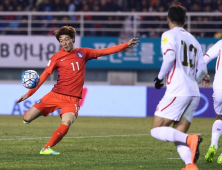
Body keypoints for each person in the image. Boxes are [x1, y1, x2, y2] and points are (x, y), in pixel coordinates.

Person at [16, 25, 139, 155]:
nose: (64, 43)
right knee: (27, 118)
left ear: (73, 39)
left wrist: (126, 45)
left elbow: (104, 51)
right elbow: (44, 76)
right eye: (61, 41)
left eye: (67, 39)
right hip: (55, 94)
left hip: (72, 99)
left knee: (67, 122)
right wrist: (28, 94)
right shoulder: (56, 58)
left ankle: (46, 148)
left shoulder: (83, 53)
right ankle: (30, 115)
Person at [150, 5, 210, 170]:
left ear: (167, 19)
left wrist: (159, 78)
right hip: (194, 93)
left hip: (178, 90)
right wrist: (193, 80)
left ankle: (191, 140)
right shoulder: (194, 41)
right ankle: (190, 165)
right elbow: (203, 70)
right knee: (178, 134)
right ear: (185, 21)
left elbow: (169, 58)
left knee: (156, 130)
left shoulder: (168, 35)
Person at [204, 40, 222, 164]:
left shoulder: (221, 43)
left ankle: (213, 144)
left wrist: (205, 75)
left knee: (219, 117)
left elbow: (203, 60)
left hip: (219, 86)